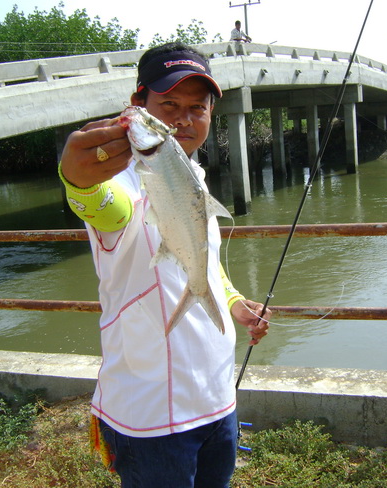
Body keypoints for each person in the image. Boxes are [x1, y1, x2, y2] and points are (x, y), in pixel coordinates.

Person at [58, 41, 271, 487]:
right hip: (151, 415)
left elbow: (205, 262)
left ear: (212, 114)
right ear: (137, 105)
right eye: (168, 104)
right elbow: (103, 206)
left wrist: (232, 302)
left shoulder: (193, 175)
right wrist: (77, 180)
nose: (183, 119)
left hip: (216, 398)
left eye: (198, 107)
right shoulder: (120, 180)